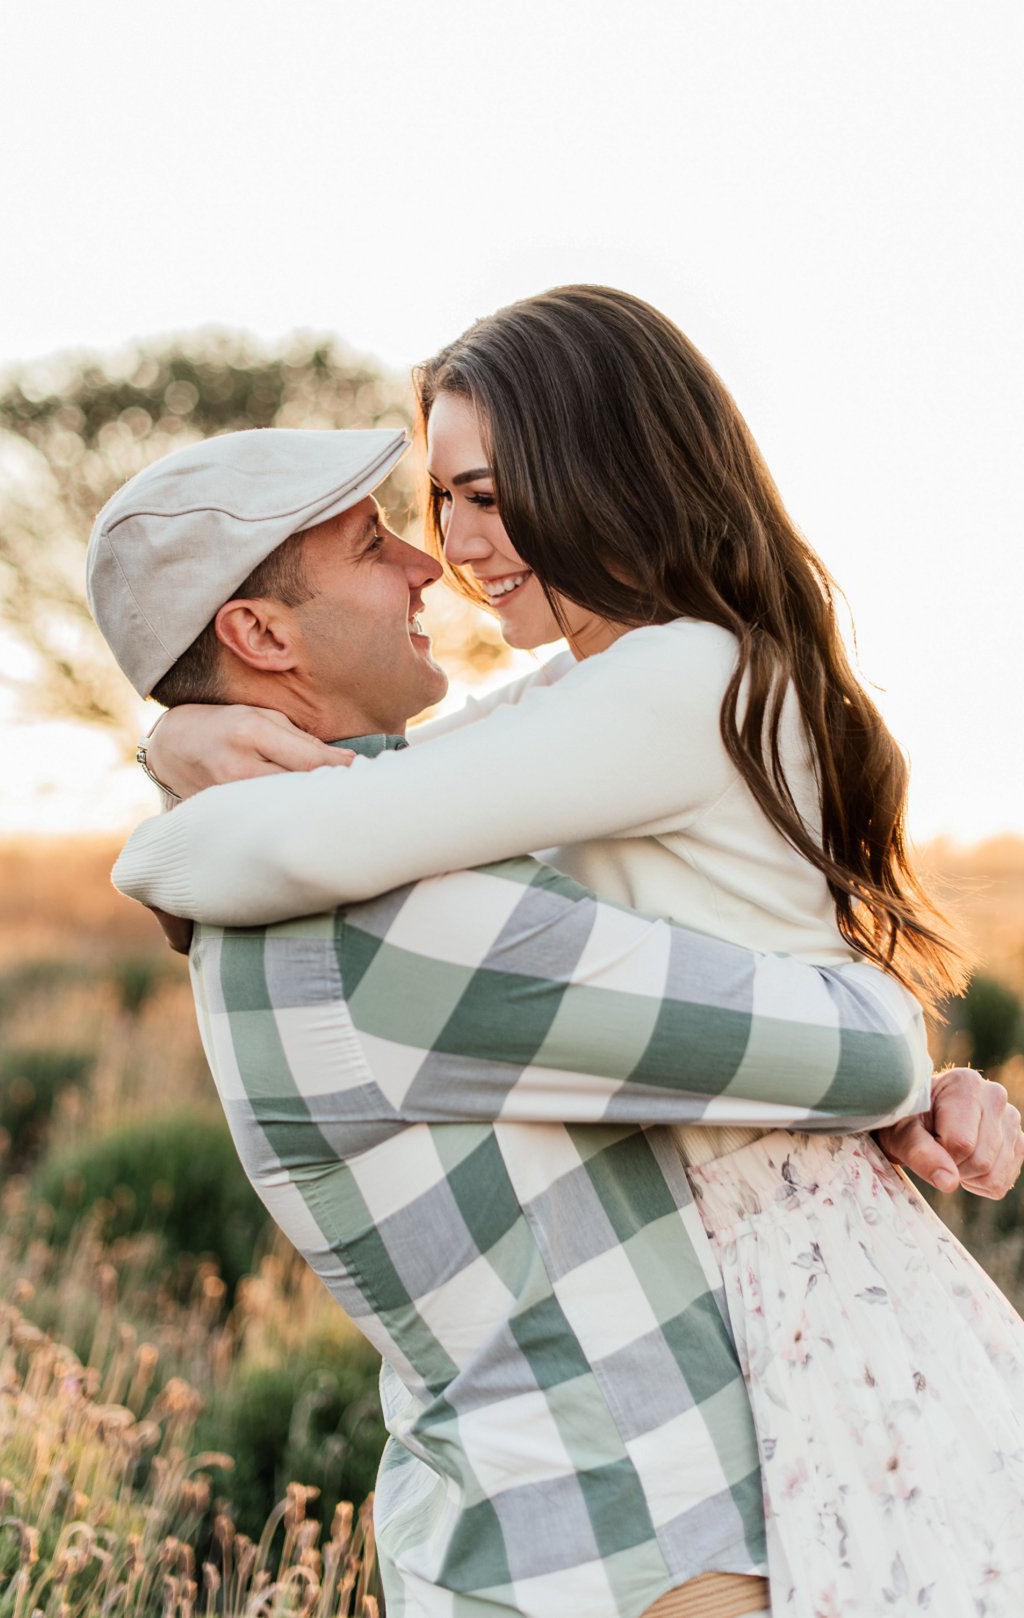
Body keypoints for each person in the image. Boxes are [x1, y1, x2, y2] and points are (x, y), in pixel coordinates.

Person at [110, 291, 1024, 1617]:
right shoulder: (598, 690)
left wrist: (165, 799)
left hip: (790, 1271)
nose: (454, 549)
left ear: (604, 463)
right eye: (439, 506)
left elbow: (339, 831)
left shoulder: (676, 679)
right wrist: (180, 750)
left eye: (487, 494)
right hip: (737, 1267)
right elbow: (392, 791)